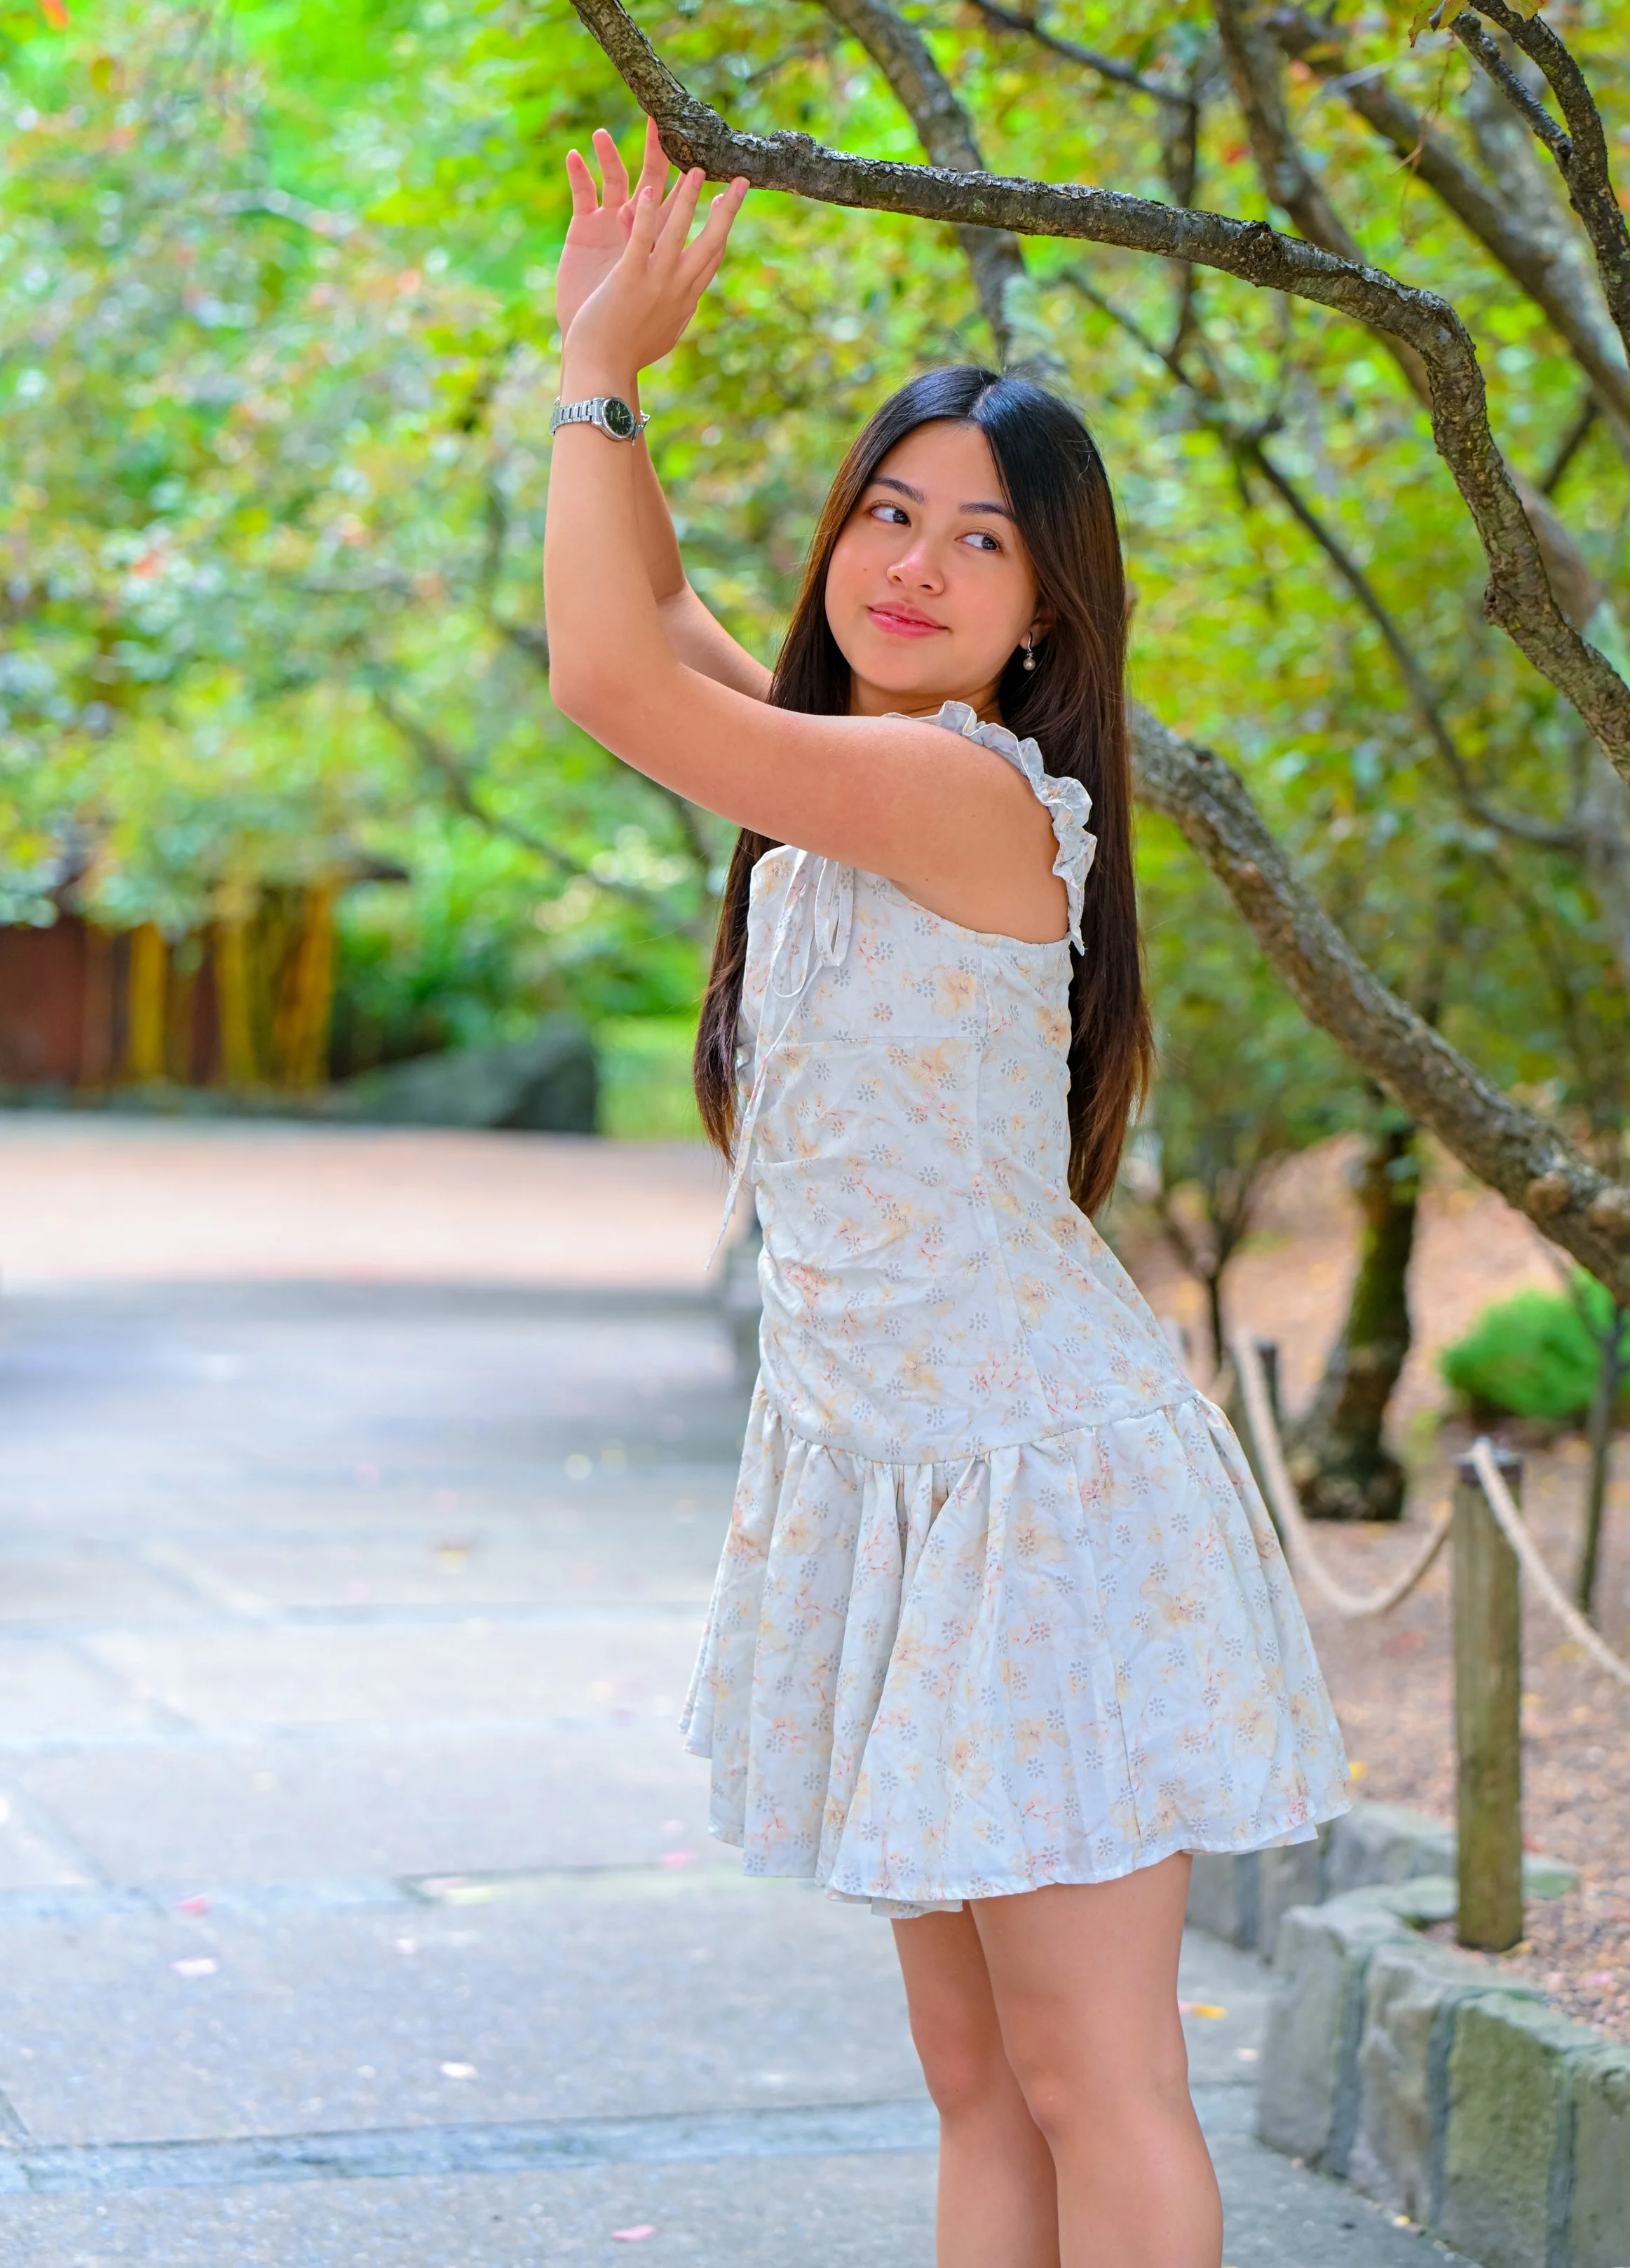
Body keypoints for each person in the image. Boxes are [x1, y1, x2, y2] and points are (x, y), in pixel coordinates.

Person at [545, 122, 1351, 2268]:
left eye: (975, 541)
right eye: (884, 513)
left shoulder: (951, 788)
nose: (909, 563)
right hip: (909, 1484)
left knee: (1100, 2078)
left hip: (1034, 1502)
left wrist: (595, 390)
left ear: (1044, 607)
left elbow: (601, 679)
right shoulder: (846, 769)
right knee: (981, 2083)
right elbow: (664, 621)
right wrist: (593, 357)